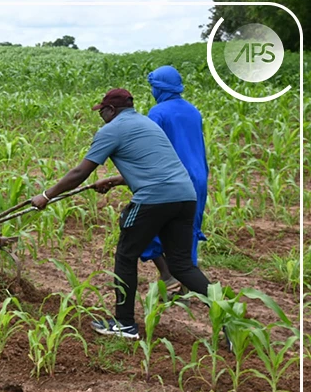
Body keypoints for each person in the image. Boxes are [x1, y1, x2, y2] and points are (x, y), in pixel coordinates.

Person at [30, 88, 211, 339]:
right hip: (185, 197)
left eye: (101, 111)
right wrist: (115, 180)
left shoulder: (111, 130)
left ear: (111, 110)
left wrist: (47, 196)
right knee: (181, 265)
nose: (100, 115)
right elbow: (157, 168)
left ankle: (124, 324)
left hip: (154, 199)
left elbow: (79, 173)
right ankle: (228, 314)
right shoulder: (146, 124)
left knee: (126, 255)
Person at [140, 66, 209, 298]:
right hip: (198, 177)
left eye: (153, 87)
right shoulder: (193, 111)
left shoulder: (158, 113)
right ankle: (186, 282)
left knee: (143, 225)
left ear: (160, 88)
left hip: (171, 179)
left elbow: (153, 151)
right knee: (187, 230)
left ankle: (169, 277)